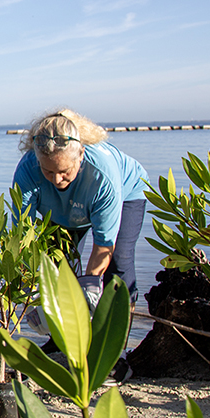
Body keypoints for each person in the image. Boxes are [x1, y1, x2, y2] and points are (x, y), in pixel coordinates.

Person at [13, 109, 149, 313]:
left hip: (127, 195)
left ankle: (118, 336)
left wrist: (90, 287)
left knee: (119, 262)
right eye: (48, 171)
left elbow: (104, 245)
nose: (57, 179)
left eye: (64, 171)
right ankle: (59, 337)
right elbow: (24, 237)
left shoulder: (103, 177)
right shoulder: (27, 171)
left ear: (81, 155)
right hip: (63, 209)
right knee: (61, 266)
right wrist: (29, 294)